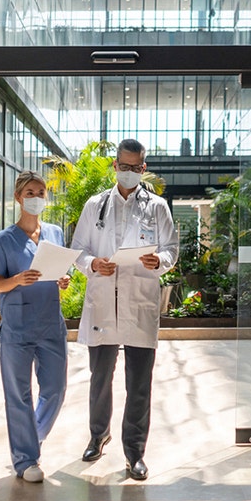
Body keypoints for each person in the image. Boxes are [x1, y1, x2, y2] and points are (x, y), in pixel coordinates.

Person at [70, 138, 179, 481]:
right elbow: (78, 249)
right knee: (100, 378)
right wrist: (93, 264)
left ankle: (135, 452)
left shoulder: (158, 206)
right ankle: (98, 434)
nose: (130, 173)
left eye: (136, 168)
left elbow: (171, 249)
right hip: (104, 301)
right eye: (124, 166)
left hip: (139, 301)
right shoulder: (95, 205)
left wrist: (158, 259)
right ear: (114, 166)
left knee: (139, 383)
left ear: (143, 169)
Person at [0, 171, 72, 483]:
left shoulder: (55, 233)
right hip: (17, 327)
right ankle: (25, 460)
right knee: (18, 394)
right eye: (30, 192)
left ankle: (31, 436)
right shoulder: (4, 240)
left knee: (55, 389)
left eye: (41, 192)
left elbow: (61, 272)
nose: (36, 198)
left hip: (50, 323)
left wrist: (63, 279)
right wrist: (18, 279)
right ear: (19, 198)